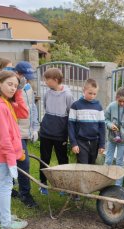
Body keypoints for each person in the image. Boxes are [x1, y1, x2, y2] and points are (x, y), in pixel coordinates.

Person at [0, 70, 29, 229]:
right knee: (6, 186)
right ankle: (6, 223)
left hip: (5, 153)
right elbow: (4, 137)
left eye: (15, 86)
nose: (12, 88)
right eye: (9, 84)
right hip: (5, 154)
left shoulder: (5, 102)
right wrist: (11, 161)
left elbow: (24, 113)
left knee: (1, 184)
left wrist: (19, 93)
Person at [38, 68, 74, 196]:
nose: (45, 82)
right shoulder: (47, 93)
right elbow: (46, 108)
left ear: (56, 80)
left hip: (60, 134)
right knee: (44, 158)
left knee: (62, 159)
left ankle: (63, 186)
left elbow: (70, 113)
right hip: (46, 133)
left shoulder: (68, 95)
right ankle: (43, 184)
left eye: (47, 80)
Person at [12, 61, 40, 208]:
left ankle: (11, 188)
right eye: (25, 76)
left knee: (16, 162)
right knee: (24, 162)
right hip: (16, 132)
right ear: (17, 74)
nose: (27, 80)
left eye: (29, 77)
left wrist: (35, 127)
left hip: (26, 131)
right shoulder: (12, 88)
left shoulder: (28, 87)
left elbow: (32, 108)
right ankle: (25, 194)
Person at [104, 87, 124, 186]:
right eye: (120, 101)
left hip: (123, 140)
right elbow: (105, 119)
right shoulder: (111, 106)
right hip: (112, 138)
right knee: (108, 160)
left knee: (119, 162)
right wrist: (110, 125)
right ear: (116, 98)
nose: (122, 103)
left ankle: (118, 185)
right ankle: (104, 182)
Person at [68, 78, 105, 164]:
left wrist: (102, 144)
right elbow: (71, 126)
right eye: (90, 93)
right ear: (83, 90)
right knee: (83, 165)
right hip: (80, 141)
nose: (92, 96)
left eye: (94, 94)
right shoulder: (75, 105)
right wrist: (73, 143)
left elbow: (102, 126)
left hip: (94, 142)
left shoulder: (98, 106)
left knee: (91, 164)